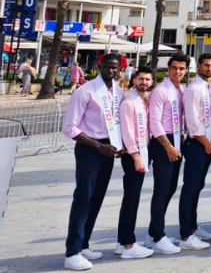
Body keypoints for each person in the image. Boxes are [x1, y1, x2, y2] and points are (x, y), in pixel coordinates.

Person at [61, 53, 124, 271]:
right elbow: (70, 128)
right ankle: (72, 252)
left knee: (97, 198)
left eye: (115, 68)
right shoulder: (85, 91)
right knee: (83, 198)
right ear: (99, 66)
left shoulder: (118, 92)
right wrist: (99, 146)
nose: (111, 71)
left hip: (109, 149)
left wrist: (119, 144)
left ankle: (84, 243)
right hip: (90, 149)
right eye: (107, 67)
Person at [147, 53, 188, 255]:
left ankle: (154, 230)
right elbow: (154, 122)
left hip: (177, 139)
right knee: (162, 189)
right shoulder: (160, 91)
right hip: (164, 142)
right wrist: (168, 147)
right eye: (174, 68)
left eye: (181, 69)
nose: (177, 72)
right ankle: (157, 236)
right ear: (168, 68)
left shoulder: (181, 90)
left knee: (171, 188)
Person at [177, 53, 211, 250]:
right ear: (198, 66)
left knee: (197, 187)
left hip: (207, 143)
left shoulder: (206, 87)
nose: (209, 69)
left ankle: (193, 227)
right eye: (206, 65)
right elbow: (192, 122)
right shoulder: (193, 89)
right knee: (190, 188)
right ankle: (185, 235)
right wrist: (206, 143)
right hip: (197, 145)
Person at [116, 66, 155, 260]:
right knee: (131, 199)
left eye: (148, 80)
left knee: (133, 197)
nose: (144, 82)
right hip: (134, 156)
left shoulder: (144, 102)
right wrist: (136, 156)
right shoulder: (129, 103)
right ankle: (128, 245)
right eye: (141, 79)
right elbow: (127, 132)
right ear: (134, 80)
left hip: (142, 152)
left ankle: (121, 241)